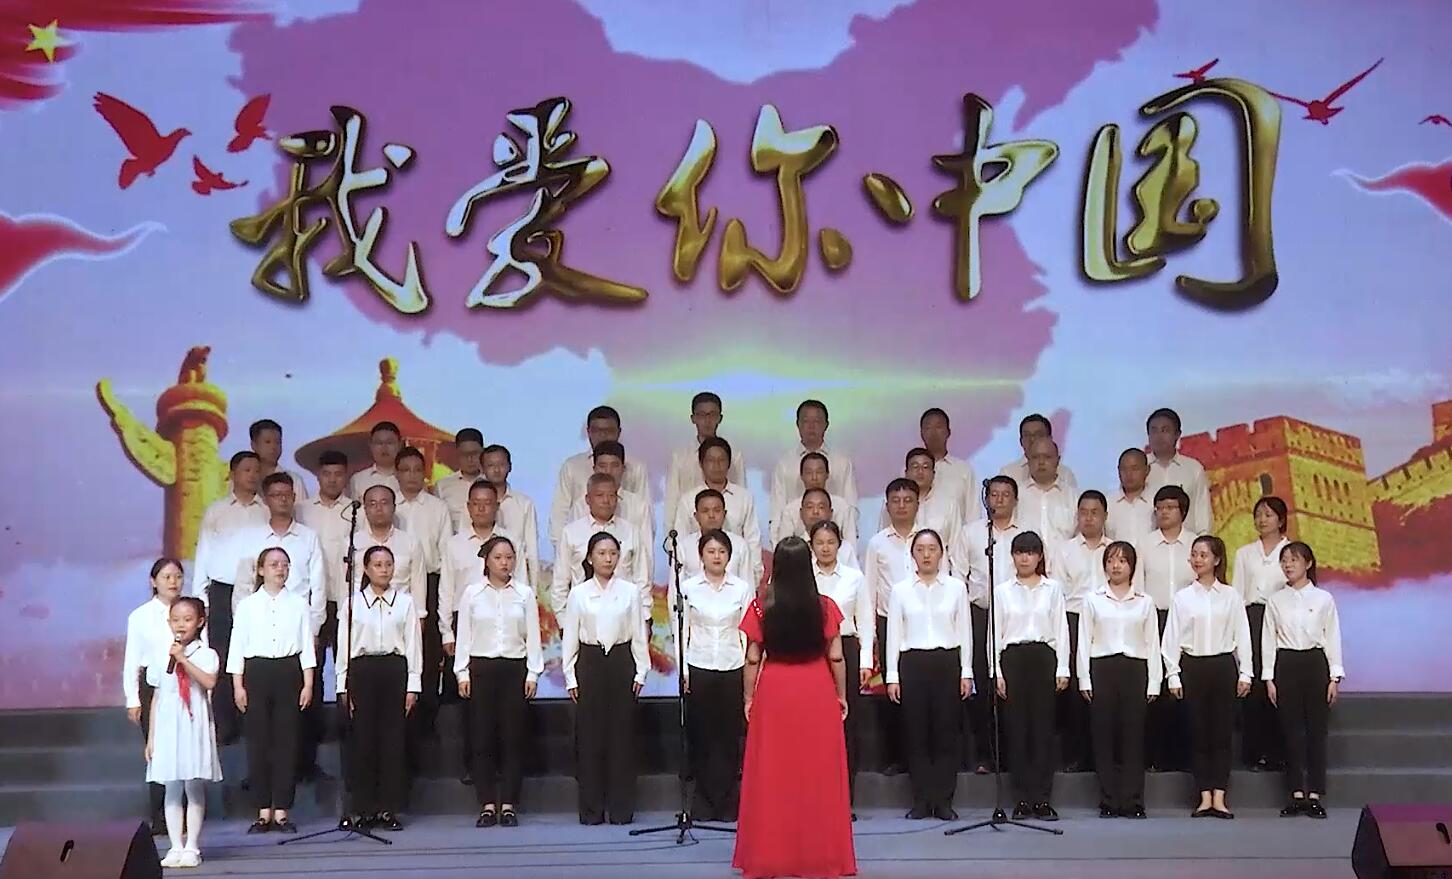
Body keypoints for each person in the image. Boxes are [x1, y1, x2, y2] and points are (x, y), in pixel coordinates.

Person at [734, 537, 855, 879]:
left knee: (773, 773)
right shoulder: (825, 607)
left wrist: (748, 697)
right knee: (817, 774)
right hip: (816, 688)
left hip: (775, 691)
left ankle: (771, 855)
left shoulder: (761, 607)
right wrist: (841, 695)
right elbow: (836, 655)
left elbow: (752, 658)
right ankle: (820, 856)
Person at [230, 472, 327, 781]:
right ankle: (259, 778)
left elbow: (318, 587)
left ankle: (302, 769)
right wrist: (244, 622)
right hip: (260, 633)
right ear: (266, 500)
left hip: (297, 631)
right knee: (259, 719)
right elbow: (243, 583)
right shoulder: (252, 538)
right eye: (276, 495)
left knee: (300, 709)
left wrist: (313, 630)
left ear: (294, 498)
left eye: (287, 494)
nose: (282, 499)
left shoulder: (308, 537)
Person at [561, 532, 650, 825]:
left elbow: (639, 634)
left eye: (613, 553)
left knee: (622, 738)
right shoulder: (579, 593)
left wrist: (641, 670)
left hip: (622, 662)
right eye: (601, 553)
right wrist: (570, 676)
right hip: (590, 662)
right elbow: (570, 638)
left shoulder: (630, 592)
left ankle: (622, 809)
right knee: (590, 738)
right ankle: (592, 810)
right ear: (590, 558)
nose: (608, 559)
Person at [227, 547, 317, 833]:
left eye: (285, 564)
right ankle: (263, 809)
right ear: (261, 569)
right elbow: (237, 647)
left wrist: (308, 683)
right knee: (258, 742)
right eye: (274, 564)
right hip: (257, 672)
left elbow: (306, 646)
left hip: (288, 671)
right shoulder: (247, 605)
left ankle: (282, 811)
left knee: (287, 742)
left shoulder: (299, 604)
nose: (280, 569)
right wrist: (238, 685)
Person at [886, 529, 973, 820]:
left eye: (932, 549)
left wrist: (966, 671)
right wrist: (892, 676)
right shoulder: (900, 590)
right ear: (912, 555)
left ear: (941, 553)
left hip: (946, 662)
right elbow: (894, 634)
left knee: (946, 733)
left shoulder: (956, 588)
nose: (926, 555)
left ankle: (944, 800)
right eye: (920, 550)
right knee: (917, 733)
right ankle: (922, 799)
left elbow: (965, 632)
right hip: (912, 663)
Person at [456, 536, 542, 828]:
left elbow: (533, 637)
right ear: (487, 560)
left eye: (509, 557)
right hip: (481, 669)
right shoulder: (472, 593)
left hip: (514, 669)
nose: (505, 563)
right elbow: (464, 636)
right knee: (482, 738)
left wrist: (533, 673)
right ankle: (487, 804)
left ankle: (508, 804)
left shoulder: (524, 594)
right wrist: (462, 673)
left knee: (513, 739)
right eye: (498, 558)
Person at [1163, 535, 1251, 819]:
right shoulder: (1182, 597)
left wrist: (1246, 672)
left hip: (1223, 666)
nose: (1197, 560)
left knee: (1222, 733)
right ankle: (1204, 796)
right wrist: (1173, 675)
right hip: (1193, 667)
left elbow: (1243, 636)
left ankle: (1220, 797)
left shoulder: (1231, 596)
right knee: (1198, 732)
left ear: (1216, 559)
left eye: (1203, 555)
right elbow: (1171, 639)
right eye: (1194, 554)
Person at [440, 478, 521, 782]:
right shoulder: (455, 544)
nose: (482, 508)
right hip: (465, 623)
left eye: (488, 503)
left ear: (497, 506)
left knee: (507, 707)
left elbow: (523, 586)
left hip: (505, 621)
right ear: (468, 507)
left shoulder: (509, 542)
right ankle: (474, 767)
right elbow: (446, 590)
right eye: (477, 503)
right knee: (470, 701)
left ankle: (504, 766)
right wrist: (447, 632)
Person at [336, 545, 421, 832]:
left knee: (392, 743)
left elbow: (413, 646)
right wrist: (342, 686)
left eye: (388, 564)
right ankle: (364, 808)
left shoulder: (405, 603)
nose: (384, 570)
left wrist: (413, 685)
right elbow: (344, 648)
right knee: (363, 742)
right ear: (366, 569)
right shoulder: (353, 604)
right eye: (378, 564)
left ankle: (388, 808)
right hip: (362, 671)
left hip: (394, 670)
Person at [1077, 541, 1161, 819]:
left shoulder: (1145, 601)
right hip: (1102, 668)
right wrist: (1084, 678)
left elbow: (1152, 643)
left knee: (1133, 736)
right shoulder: (1092, 599)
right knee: (1104, 736)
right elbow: (1084, 641)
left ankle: (1133, 800)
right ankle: (1109, 800)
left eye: (1123, 561)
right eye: (1111, 561)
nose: (1116, 566)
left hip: (1135, 669)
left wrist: (1154, 681)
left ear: (1132, 567)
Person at [673, 529, 752, 821]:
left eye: (722, 552)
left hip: (733, 665)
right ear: (701, 556)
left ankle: (729, 804)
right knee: (702, 737)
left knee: (729, 738)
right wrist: (683, 670)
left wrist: (749, 669)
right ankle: (703, 804)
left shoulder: (741, 588)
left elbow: (747, 632)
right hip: (699, 665)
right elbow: (681, 631)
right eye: (711, 551)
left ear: (729, 556)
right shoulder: (688, 588)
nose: (716, 556)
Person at [190, 450, 267, 744]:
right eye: (247, 470)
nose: (253, 475)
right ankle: (224, 726)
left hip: (257, 591)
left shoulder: (266, 511)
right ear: (233, 474)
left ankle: (253, 723)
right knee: (221, 655)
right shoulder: (217, 511)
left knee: (254, 656)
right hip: (222, 591)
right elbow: (204, 553)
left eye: (256, 470)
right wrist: (200, 599)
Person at [993, 531, 1070, 821]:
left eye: (1030, 552)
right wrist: (996, 672)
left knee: (1042, 731)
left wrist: (1063, 667)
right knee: (1017, 732)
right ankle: (1022, 799)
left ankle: (1042, 799)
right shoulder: (1002, 591)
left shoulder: (1052, 589)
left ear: (1039, 557)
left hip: (1043, 658)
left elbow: (1061, 630)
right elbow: (994, 634)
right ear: (1012, 557)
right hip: (1013, 659)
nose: (1024, 558)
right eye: (1019, 552)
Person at [949, 474, 1023, 774]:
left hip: (1017, 614)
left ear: (1015, 500)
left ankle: (1012, 755)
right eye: (994, 494)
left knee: (1012, 684)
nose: (999, 499)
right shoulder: (970, 533)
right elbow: (958, 575)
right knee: (982, 683)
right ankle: (985, 755)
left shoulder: (1026, 533)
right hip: (979, 613)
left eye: (1006, 494)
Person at [1265, 541, 1344, 820]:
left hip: (1315, 663)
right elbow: (1268, 641)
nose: (1288, 565)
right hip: (1286, 664)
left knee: (1316, 732)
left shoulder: (1323, 599)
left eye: (1294, 559)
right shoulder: (1276, 600)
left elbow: (1332, 636)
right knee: (1290, 732)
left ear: (1308, 564)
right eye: (1284, 560)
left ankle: (1315, 795)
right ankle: (1296, 794)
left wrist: (1334, 676)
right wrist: (1269, 678)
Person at [144, 596, 221, 869]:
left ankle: (192, 846)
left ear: (199, 622)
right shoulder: (160, 654)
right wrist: (151, 737)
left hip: (193, 723)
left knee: (193, 783)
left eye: (187, 619)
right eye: (176, 620)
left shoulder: (206, 654)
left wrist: (182, 659)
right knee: (172, 786)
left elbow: (208, 681)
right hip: (168, 725)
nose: (181, 625)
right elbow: (157, 697)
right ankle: (175, 846)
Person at [1133, 484, 1197, 772]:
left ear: (1183, 511)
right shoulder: (1144, 544)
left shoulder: (1195, 544)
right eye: (1159, 508)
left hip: (1188, 620)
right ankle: (1154, 756)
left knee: (1185, 686)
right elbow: (1138, 586)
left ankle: (1183, 757)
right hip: (1154, 617)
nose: (1164, 513)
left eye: (1170, 507)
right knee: (1154, 686)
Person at [1048, 490, 1112, 773]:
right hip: (1073, 619)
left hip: (1109, 619)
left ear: (1105, 516)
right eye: (1083, 512)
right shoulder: (1064, 550)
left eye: (1094, 512)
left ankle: (1103, 757)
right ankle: (1075, 756)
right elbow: (1058, 593)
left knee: (1104, 687)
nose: (1088, 518)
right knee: (1076, 692)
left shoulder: (1116, 549)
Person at [810, 520, 871, 804]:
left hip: (846, 648)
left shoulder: (854, 578)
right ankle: (816, 796)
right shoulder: (803, 577)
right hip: (811, 651)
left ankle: (845, 797)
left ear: (840, 545)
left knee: (846, 723)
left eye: (831, 542)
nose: (825, 548)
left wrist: (865, 661)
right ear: (811, 545)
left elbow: (865, 621)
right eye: (819, 543)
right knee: (814, 726)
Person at [124, 558, 187, 836]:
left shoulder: (192, 610)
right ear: (153, 581)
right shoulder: (141, 616)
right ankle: (160, 816)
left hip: (187, 683)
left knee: (184, 750)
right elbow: (132, 660)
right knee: (158, 752)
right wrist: (133, 699)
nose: (173, 582)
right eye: (167, 577)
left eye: (178, 576)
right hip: (153, 687)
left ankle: (184, 814)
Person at [395, 447, 453, 745]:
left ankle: (427, 722)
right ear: (396, 474)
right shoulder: (388, 505)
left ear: (425, 473)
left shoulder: (437, 507)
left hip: (430, 583)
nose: (412, 476)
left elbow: (445, 552)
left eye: (417, 470)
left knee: (429, 654)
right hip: (394, 585)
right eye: (405, 470)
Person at [864, 477, 920, 775]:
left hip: (923, 623)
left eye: (908, 500)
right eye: (895, 501)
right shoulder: (877, 543)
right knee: (893, 690)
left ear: (917, 504)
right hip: (888, 623)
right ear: (886, 506)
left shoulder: (928, 538)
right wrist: (871, 632)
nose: (901, 506)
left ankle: (920, 756)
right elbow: (870, 588)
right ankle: (896, 757)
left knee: (920, 689)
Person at [1232, 496, 1290, 773]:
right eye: (1258, 514)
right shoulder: (1245, 553)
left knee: (1279, 683)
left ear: (1281, 519)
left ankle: (1279, 752)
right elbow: (1238, 593)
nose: (1262, 519)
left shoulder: (1291, 551)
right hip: (1252, 617)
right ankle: (1254, 753)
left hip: (1282, 620)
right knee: (1254, 685)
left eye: (1268, 514)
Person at [548, 406, 651, 546]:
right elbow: (560, 514)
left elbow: (644, 513)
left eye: (608, 431)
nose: (602, 436)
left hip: (627, 545)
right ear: (588, 432)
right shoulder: (572, 466)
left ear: (619, 432)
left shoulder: (636, 467)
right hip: (582, 548)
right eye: (597, 431)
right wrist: (563, 550)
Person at [552, 473, 649, 619]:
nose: (606, 501)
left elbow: (642, 578)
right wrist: (563, 621)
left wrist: (645, 616)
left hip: (624, 616)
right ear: (587, 499)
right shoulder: (571, 532)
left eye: (611, 495)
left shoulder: (631, 531)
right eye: (600, 495)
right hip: (583, 617)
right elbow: (561, 581)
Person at [297, 450, 354, 697]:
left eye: (338, 474)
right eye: (327, 474)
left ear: (346, 476)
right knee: (312, 663)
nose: (332, 479)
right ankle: (312, 717)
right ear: (318, 476)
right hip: (312, 598)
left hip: (346, 597)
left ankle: (346, 718)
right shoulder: (301, 510)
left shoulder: (356, 510)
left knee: (347, 664)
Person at [672, 437, 762, 585]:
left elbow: (752, 539)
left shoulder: (744, 497)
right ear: (701, 464)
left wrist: (754, 577)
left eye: (721, 460)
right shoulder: (687, 500)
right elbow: (680, 540)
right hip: (696, 580)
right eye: (711, 460)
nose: (716, 465)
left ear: (729, 463)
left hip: (735, 577)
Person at [767, 400, 858, 534]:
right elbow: (777, 509)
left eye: (816, 421)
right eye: (806, 421)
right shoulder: (784, 464)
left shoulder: (842, 463)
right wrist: (778, 542)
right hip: (795, 539)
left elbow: (851, 506)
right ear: (798, 424)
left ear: (826, 425)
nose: (811, 426)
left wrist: (849, 537)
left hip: (834, 540)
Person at [567, 441, 654, 572]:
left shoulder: (638, 506)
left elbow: (646, 553)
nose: (608, 471)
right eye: (602, 466)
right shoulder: (580, 506)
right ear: (594, 469)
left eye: (614, 466)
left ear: (623, 469)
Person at [665, 392, 747, 528]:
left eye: (712, 415)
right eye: (702, 415)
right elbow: (672, 500)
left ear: (720, 418)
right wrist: (671, 535)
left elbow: (740, 494)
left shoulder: (734, 456)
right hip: (690, 529)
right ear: (693, 418)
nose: (707, 421)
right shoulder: (680, 457)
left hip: (728, 529)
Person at [875, 448, 962, 549]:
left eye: (925, 467)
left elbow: (956, 545)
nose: (920, 471)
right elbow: (883, 538)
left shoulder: (949, 504)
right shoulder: (894, 501)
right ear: (906, 472)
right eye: (915, 466)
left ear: (933, 474)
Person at [1144, 408, 1212, 536]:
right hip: (1150, 543)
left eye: (1165, 430)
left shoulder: (1193, 468)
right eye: (1154, 431)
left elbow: (1202, 511)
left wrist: (1203, 541)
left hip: (1187, 543)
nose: (1159, 436)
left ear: (1177, 434)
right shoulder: (1139, 469)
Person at [772, 457, 859, 555]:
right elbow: (784, 551)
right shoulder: (790, 510)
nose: (814, 477)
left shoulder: (843, 507)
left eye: (819, 472)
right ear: (802, 476)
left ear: (827, 474)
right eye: (809, 472)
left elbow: (852, 546)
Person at [482, 444, 542, 587]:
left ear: (510, 467)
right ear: (482, 469)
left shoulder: (524, 504)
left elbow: (532, 550)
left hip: (517, 578)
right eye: (491, 465)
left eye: (501, 464)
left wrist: (533, 589)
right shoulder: (475, 504)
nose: (496, 470)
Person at [676, 488, 753, 582]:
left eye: (717, 510)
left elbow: (748, 586)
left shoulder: (740, 545)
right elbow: (675, 587)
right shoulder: (683, 547)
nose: (711, 515)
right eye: (705, 511)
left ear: (724, 514)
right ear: (696, 516)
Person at [919, 407, 981, 522]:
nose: (933, 433)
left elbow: (973, 515)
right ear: (921, 433)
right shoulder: (909, 471)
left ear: (948, 432)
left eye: (938, 427)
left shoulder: (964, 470)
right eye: (928, 428)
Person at [999, 414, 1078, 495]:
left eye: (1038, 434)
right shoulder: (1008, 473)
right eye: (1027, 435)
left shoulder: (1065, 474)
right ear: (1021, 441)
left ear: (1050, 439)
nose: (1032, 439)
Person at [1017, 438, 1077, 544]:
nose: (1041, 462)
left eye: (1047, 457)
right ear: (1028, 460)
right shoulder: (1017, 496)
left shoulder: (1073, 497)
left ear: (1058, 460)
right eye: (1035, 457)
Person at [434, 428, 486, 532]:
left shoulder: (490, 484)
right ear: (457, 453)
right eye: (464, 454)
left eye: (474, 453)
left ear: (483, 452)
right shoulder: (442, 485)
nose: (470, 459)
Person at [250, 418, 310, 500]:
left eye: (278, 442)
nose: (273, 447)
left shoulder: (295, 480)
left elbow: (302, 507)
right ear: (253, 445)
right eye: (267, 442)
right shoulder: (242, 479)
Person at [1106, 449, 1155, 545]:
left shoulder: (1157, 501)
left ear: (1147, 470)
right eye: (1124, 469)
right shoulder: (1108, 502)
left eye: (1135, 469)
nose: (1129, 474)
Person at [348, 421, 403, 500]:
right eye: (379, 443)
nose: (384, 448)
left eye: (389, 443)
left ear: (400, 445)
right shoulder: (358, 479)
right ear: (371, 446)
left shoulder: (410, 478)